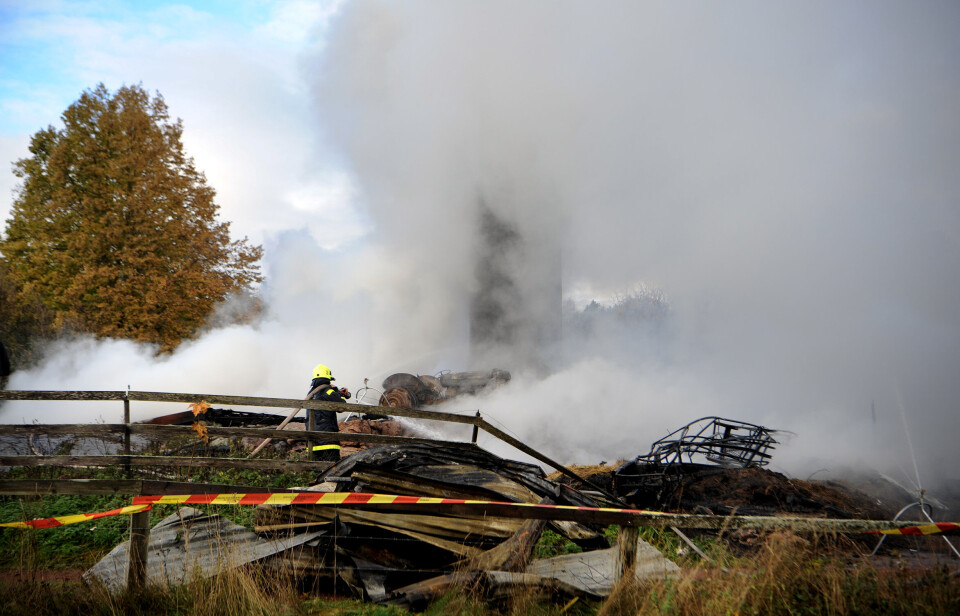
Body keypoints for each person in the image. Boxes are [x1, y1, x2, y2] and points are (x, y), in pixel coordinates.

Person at [306, 363, 351, 463]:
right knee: (331, 470)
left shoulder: (310, 393)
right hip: (328, 441)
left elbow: (325, 399)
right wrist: (340, 394)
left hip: (312, 443)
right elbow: (341, 406)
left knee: (315, 471)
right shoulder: (328, 391)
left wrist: (337, 393)